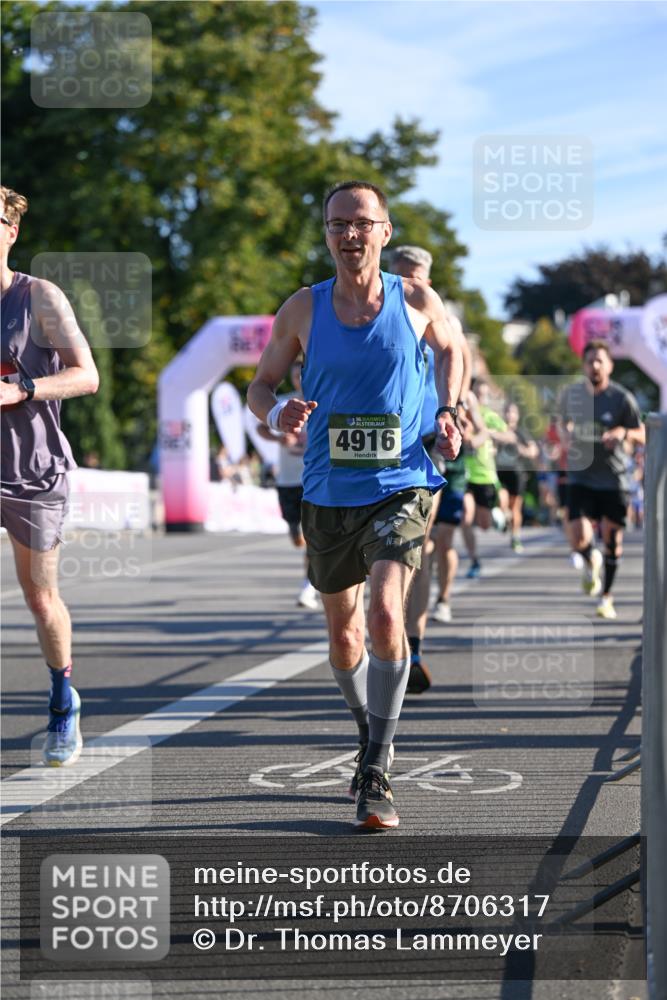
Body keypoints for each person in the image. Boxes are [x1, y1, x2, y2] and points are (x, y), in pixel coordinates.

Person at [248, 180, 463, 828]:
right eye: (337, 223)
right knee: (342, 635)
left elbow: (453, 346)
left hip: (402, 481)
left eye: (362, 223)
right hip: (327, 490)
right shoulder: (302, 309)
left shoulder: (417, 299)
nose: (349, 234)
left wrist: (449, 409)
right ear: (326, 234)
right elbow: (259, 386)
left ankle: (376, 761)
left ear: (384, 231)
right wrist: (277, 409)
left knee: (385, 617)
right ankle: (367, 724)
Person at [0, 186, 99, 765]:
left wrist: (24, 388)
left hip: (32, 471)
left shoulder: (38, 297)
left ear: (11, 231)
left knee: (40, 598)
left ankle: (63, 700)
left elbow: (87, 376)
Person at [388, 245, 472, 693]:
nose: (409, 287)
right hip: (378, 442)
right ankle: (384, 633)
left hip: (426, 439)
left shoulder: (444, 324)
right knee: (378, 547)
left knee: (414, 542)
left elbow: (461, 369)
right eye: (401, 278)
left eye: (417, 278)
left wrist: (455, 410)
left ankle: (412, 646)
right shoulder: (372, 312)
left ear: (429, 281)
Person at [559, 339, 644, 619]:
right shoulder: (572, 396)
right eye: (590, 361)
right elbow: (560, 423)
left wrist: (623, 433)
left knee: (612, 540)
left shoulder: (622, 399)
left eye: (600, 361)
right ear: (584, 365)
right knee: (578, 536)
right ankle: (589, 558)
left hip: (614, 479)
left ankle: (606, 597)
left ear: (609, 365)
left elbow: (643, 433)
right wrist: (566, 434)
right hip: (581, 477)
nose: (594, 365)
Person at [256, 357, 320, 610]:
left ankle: (308, 587)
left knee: (313, 536)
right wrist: (279, 439)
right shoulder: (286, 402)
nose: (299, 380)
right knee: (297, 537)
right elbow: (260, 428)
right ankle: (311, 572)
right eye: (295, 376)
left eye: (302, 375)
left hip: (313, 478)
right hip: (287, 480)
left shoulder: (321, 400)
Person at [462, 379, 514, 577]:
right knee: (465, 516)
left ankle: (501, 514)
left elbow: (510, 436)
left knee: (484, 524)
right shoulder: (462, 412)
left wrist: (488, 433)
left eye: (484, 394)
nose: (480, 398)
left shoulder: (489, 416)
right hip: (465, 474)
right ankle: (474, 559)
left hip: (485, 475)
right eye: (477, 393)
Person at [495, 401, 539, 552]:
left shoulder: (520, 433)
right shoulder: (497, 430)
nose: (509, 415)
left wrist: (520, 449)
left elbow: (533, 451)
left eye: (512, 412)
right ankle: (504, 519)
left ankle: (515, 537)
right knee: (502, 501)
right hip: (499, 472)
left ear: (517, 416)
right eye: (507, 412)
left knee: (515, 508)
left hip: (517, 473)